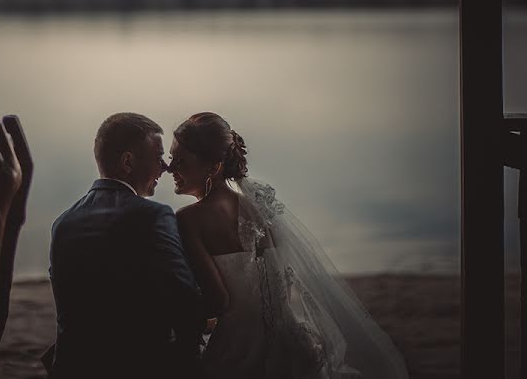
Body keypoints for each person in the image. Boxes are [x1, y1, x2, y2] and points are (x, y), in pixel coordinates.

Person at [171, 112, 410, 379]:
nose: (170, 168)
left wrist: (174, 316)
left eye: (179, 160)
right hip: (292, 342)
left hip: (238, 351)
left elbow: (218, 302)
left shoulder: (188, 219)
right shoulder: (261, 208)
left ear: (213, 167)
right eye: (171, 159)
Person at [47, 112, 204, 379]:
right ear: (128, 162)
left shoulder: (63, 223)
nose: (165, 168)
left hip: (71, 366)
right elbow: (186, 303)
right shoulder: (153, 216)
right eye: (158, 157)